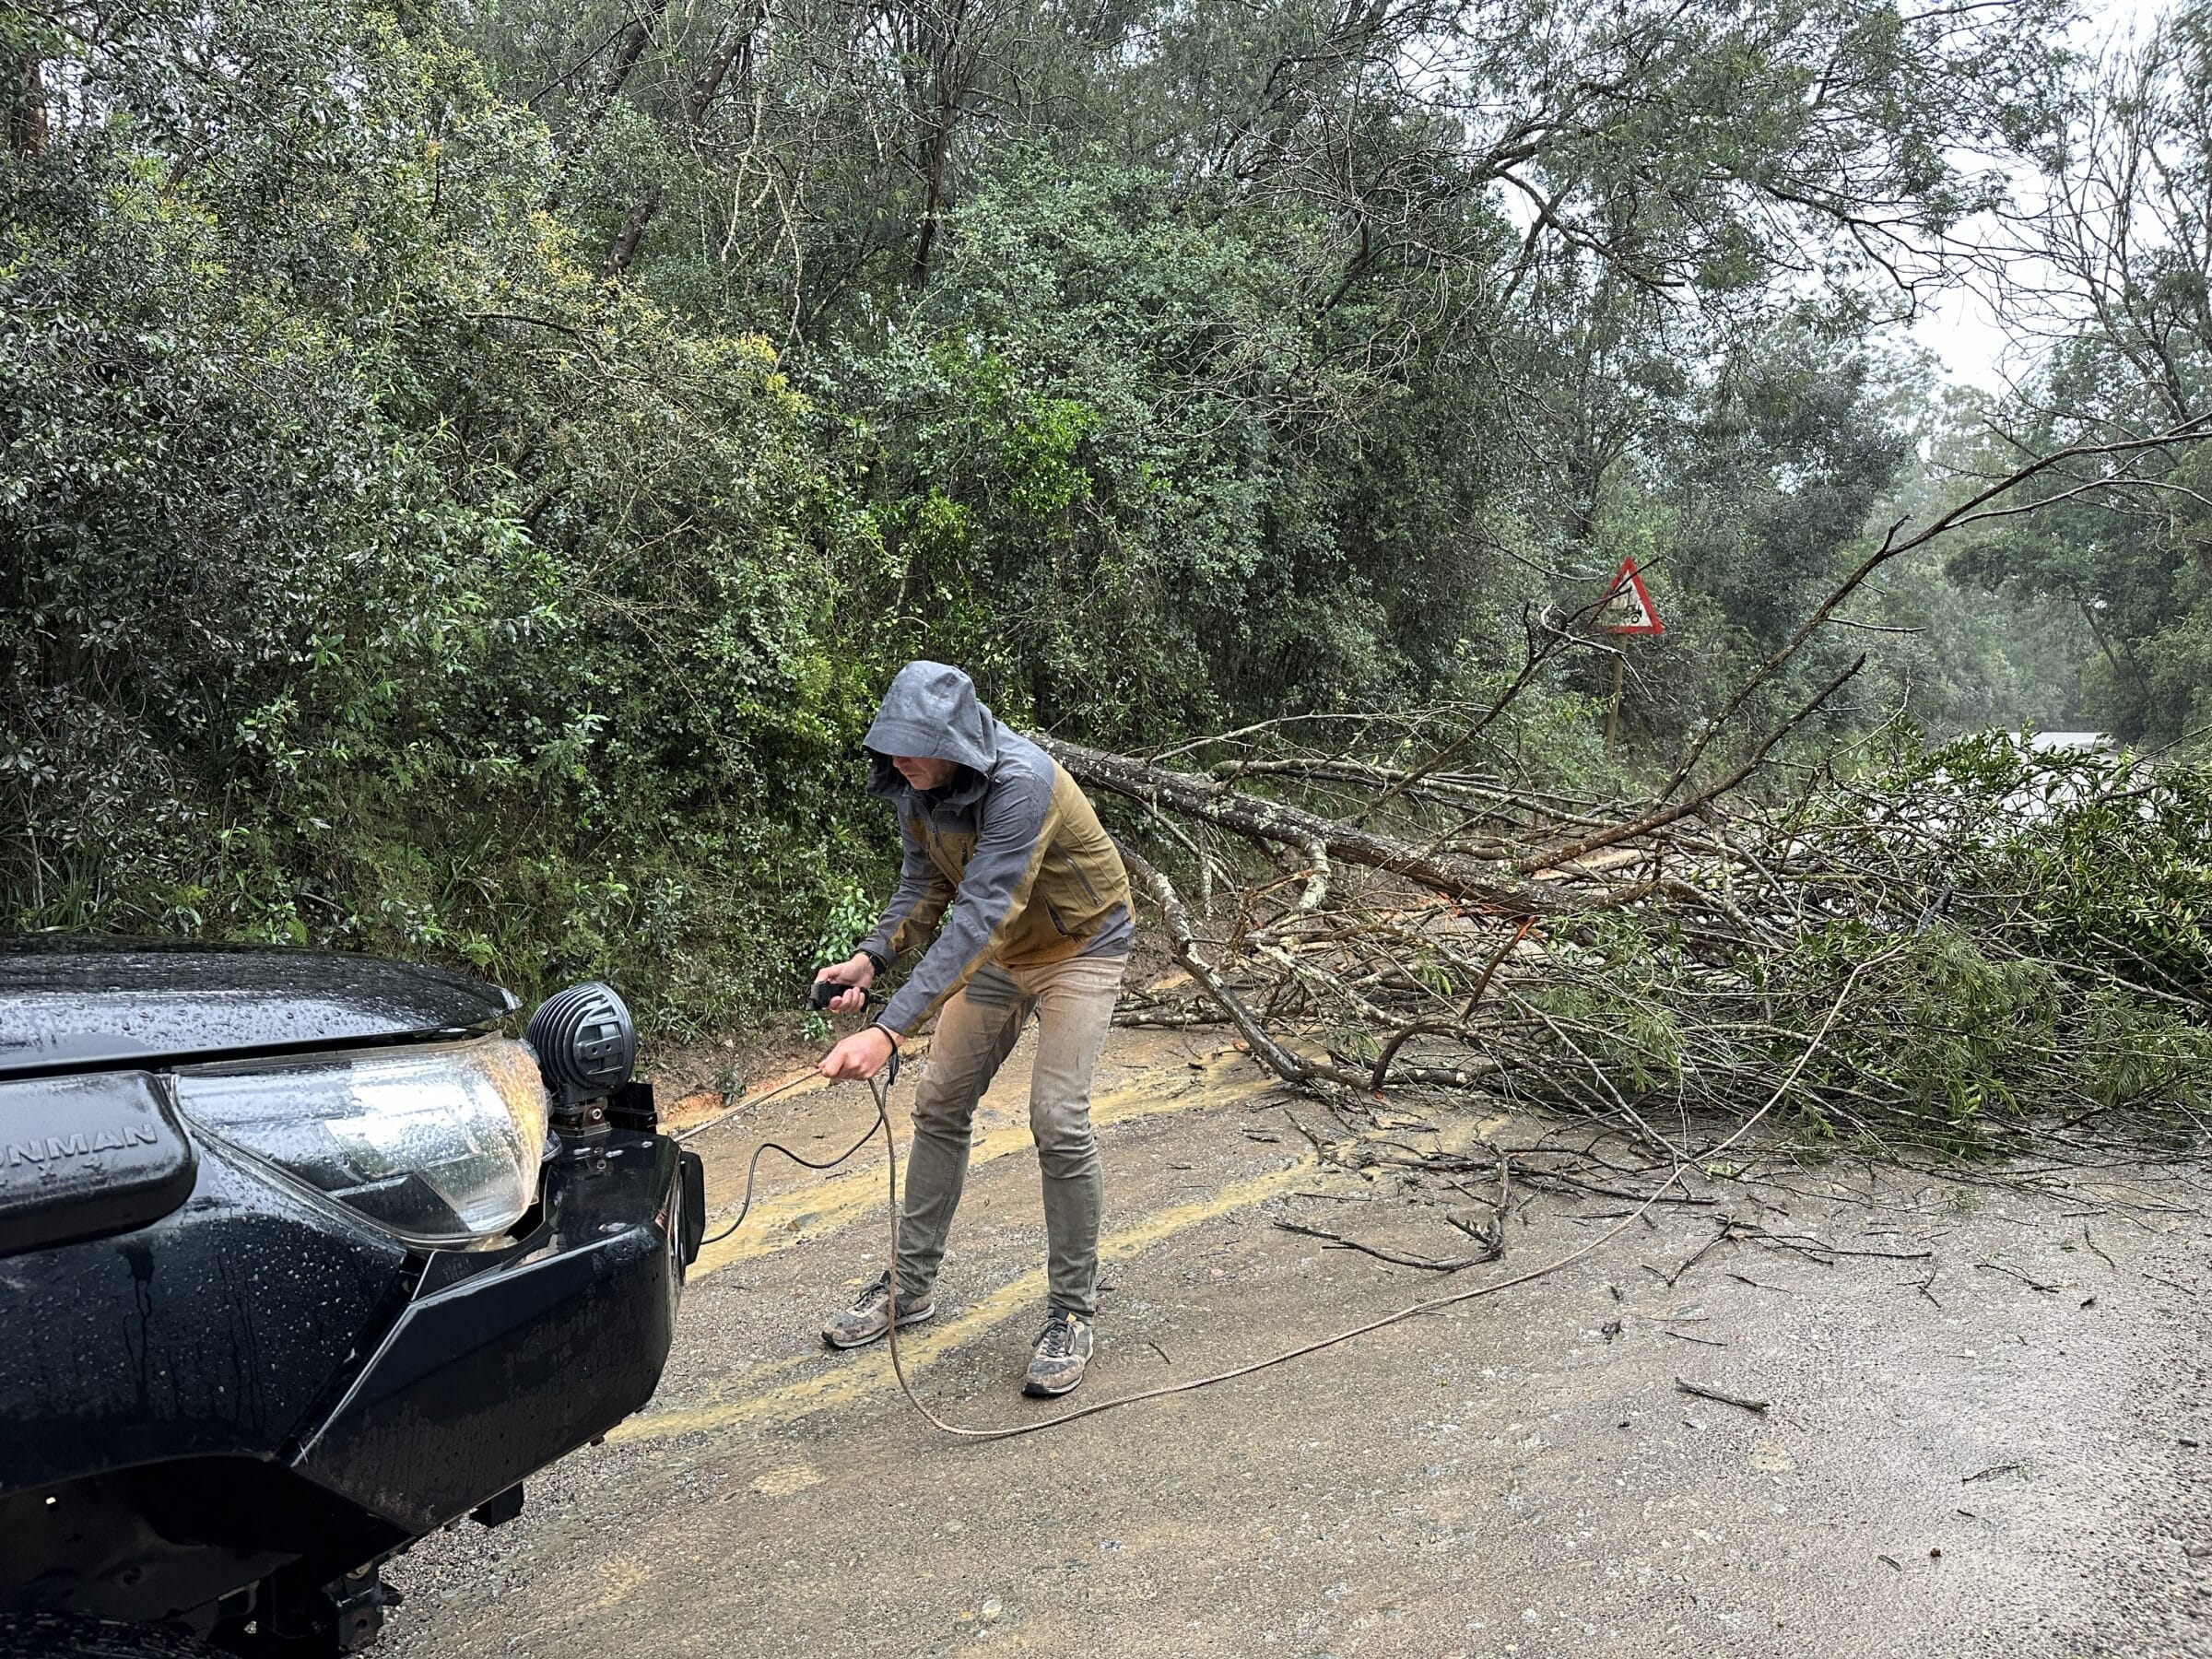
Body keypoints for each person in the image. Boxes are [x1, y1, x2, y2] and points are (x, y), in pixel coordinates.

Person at [813, 661, 1132, 1397]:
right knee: (939, 1101)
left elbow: (980, 914)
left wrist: (888, 1032)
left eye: (910, 747)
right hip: (1004, 951)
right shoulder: (915, 786)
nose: (896, 761)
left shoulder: (1023, 781)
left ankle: (1072, 1313)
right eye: (889, 746)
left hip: (1081, 944)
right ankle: (912, 1286)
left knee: (1057, 1118)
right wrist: (871, 957)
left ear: (954, 740)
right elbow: (923, 885)